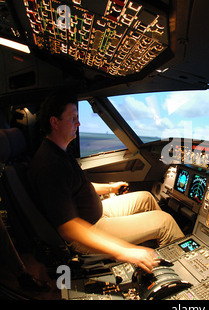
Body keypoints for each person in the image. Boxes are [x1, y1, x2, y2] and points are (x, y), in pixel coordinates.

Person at [27, 92, 184, 274]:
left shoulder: (58, 152)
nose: (78, 123)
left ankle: (155, 252)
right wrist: (125, 251)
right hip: (88, 230)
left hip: (97, 213)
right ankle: (180, 272)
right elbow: (69, 228)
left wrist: (110, 187)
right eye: (73, 118)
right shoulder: (50, 166)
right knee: (165, 222)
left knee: (146, 198)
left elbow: (76, 188)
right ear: (55, 122)